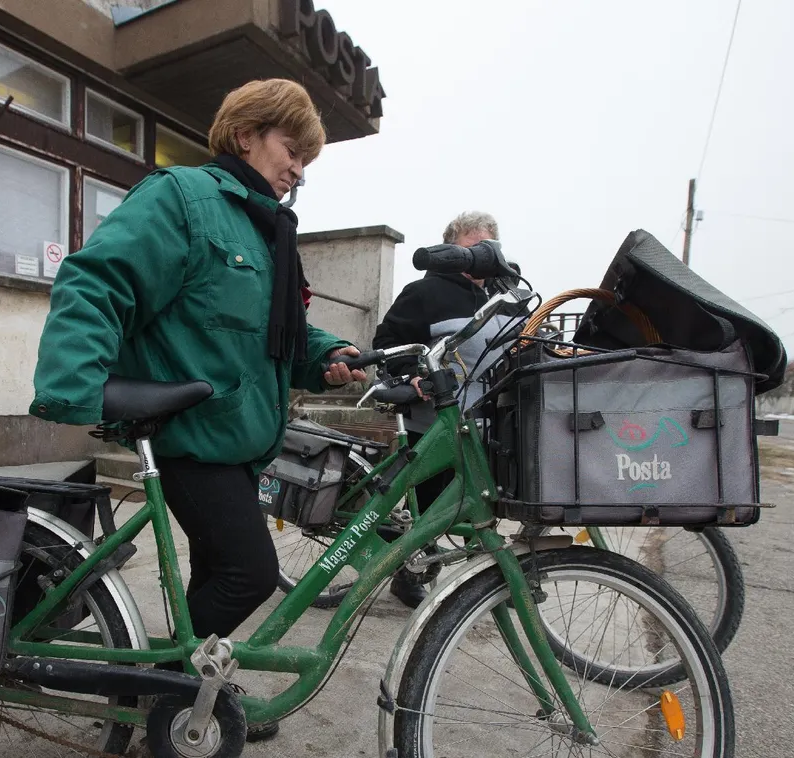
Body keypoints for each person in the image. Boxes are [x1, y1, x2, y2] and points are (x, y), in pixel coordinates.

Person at [29, 78, 366, 742]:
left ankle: (197, 692)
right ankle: (162, 694)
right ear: (246, 134)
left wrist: (330, 353)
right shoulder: (182, 197)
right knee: (248, 572)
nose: (298, 168)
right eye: (291, 148)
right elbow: (98, 278)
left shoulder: (266, 229)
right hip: (189, 432)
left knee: (218, 572)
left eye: (307, 160)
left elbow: (273, 338)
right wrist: (75, 383)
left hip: (238, 438)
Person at [370, 211, 500, 609]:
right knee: (429, 506)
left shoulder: (500, 298)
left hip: (486, 418)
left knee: (483, 499)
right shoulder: (424, 293)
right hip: (436, 419)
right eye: (470, 248)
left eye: (487, 248)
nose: (480, 257)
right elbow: (388, 343)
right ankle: (408, 573)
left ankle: (493, 572)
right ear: (450, 251)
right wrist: (412, 376)